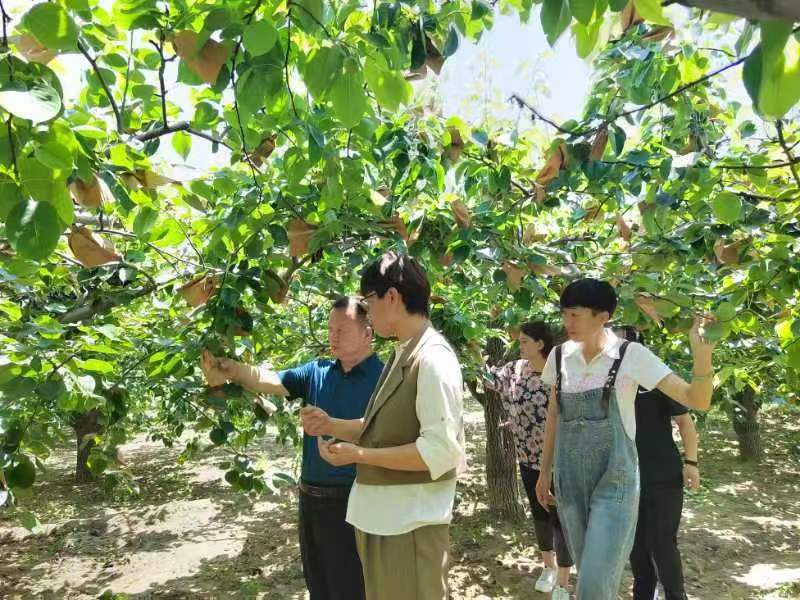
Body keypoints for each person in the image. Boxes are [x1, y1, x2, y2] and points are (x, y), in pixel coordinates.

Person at [535, 278, 715, 600]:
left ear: (602, 316)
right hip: (570, 481)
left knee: (591, 584)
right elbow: (554, 417)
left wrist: (702, 356)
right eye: (565, 314)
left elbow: (695, 399)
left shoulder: (630, 355)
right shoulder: (559, 357)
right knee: (592, 574)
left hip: (615, 481)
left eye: (575, 315)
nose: (567, 323)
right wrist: (545, 471)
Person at [300, 252, 465, 600]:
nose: (368, 312)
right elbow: (381, 427)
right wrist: (332, 425)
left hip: (410, 528)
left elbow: (440, 451)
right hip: (386, 521)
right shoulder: (403, 353)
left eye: (368, 301)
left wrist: (358, 455)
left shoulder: (433, 360)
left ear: (392, 297)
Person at [201, 296, 382, 600]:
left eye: (343, 330)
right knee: (320, 584)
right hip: (311, 498)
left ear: (368, 333)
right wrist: (231, 369)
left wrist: (334, 425)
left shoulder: (385, 378)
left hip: (358, 500)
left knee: (352, 587)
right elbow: (272, 380)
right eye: (330, 329)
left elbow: (386, 430)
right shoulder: (318, 371)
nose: (333, 337)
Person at [484, 321, 572, 599]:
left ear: (540, 344)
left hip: (558, 459)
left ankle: (563, 580)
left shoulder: (559, 373)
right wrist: (473, 351)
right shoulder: (514, 369)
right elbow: (491, 380)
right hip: (526, 456)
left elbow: (566, 414)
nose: (518, 346)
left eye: (524, 341)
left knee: (561, 518)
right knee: (539, 513)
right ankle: (548, 566)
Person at [615, 327, 699, 600]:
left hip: (662, 474)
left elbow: (685, 422)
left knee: (662, 543)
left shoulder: (657, 377)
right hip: (625, 476)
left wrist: (691, 462)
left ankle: (676, 595)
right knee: (636, 546)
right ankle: (643, 593)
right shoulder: (606, 379)